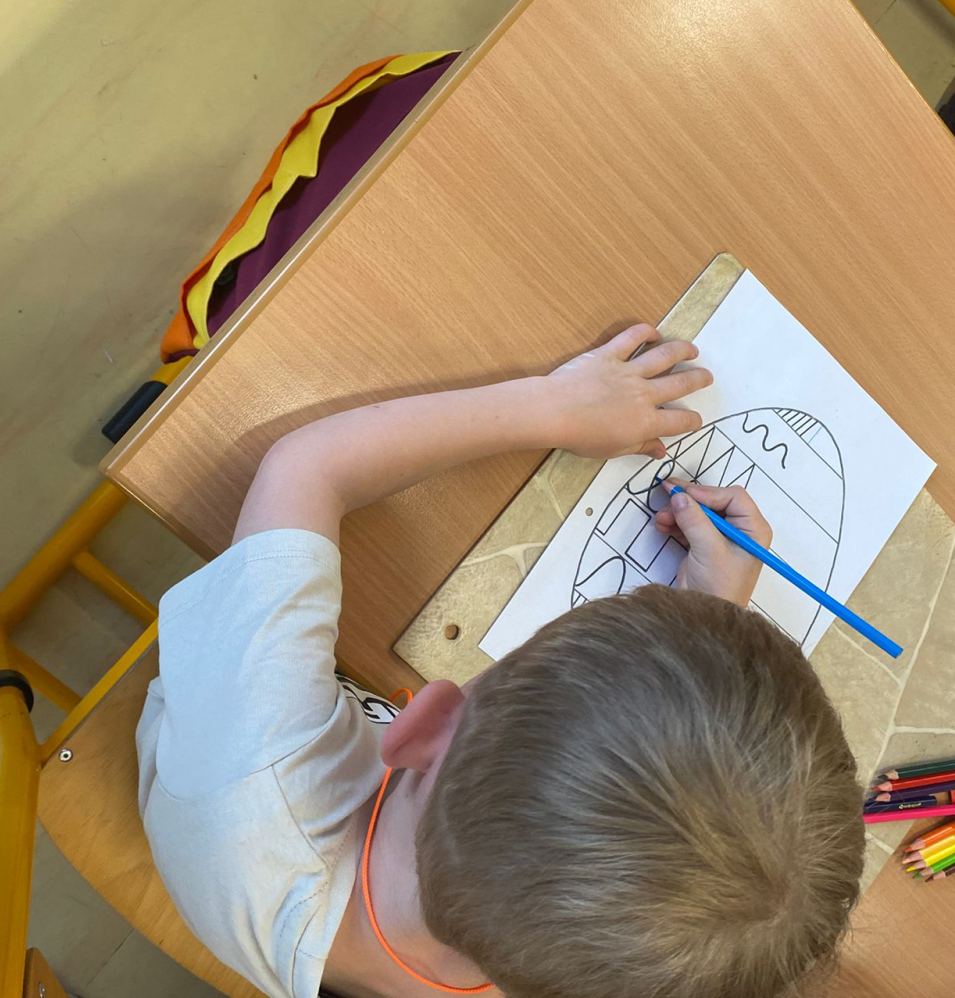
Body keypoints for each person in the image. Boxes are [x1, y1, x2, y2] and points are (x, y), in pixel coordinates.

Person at [137, 325, 865, 998]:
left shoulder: (257, 751)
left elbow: (307, 468)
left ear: (427, 720)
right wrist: (704, 624)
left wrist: (553, 406)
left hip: (210, 758)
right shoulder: (565, 968)